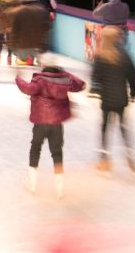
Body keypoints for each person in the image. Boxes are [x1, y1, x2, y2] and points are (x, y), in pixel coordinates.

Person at [15, 53, 85, 198]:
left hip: (41, 122)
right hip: (56, 123)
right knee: (57, 152)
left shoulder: (40, 80)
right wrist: (64, 72)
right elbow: (80, 84)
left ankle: (32, 183)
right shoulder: (64, 79)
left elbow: (28, 89)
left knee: (35, 149)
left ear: (44, 66)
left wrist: (18, 78)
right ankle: (60, 188)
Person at [91, 26, 135, 175]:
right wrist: (133, 93)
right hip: (121, 99)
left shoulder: (100, 56)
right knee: (124, 128)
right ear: (118, 38)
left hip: (106, 99)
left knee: (105, 128)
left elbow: (95, 79)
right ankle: (130, 157)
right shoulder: (124, 55)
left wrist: (97, 92)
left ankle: (104, 160)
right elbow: (134, 77)